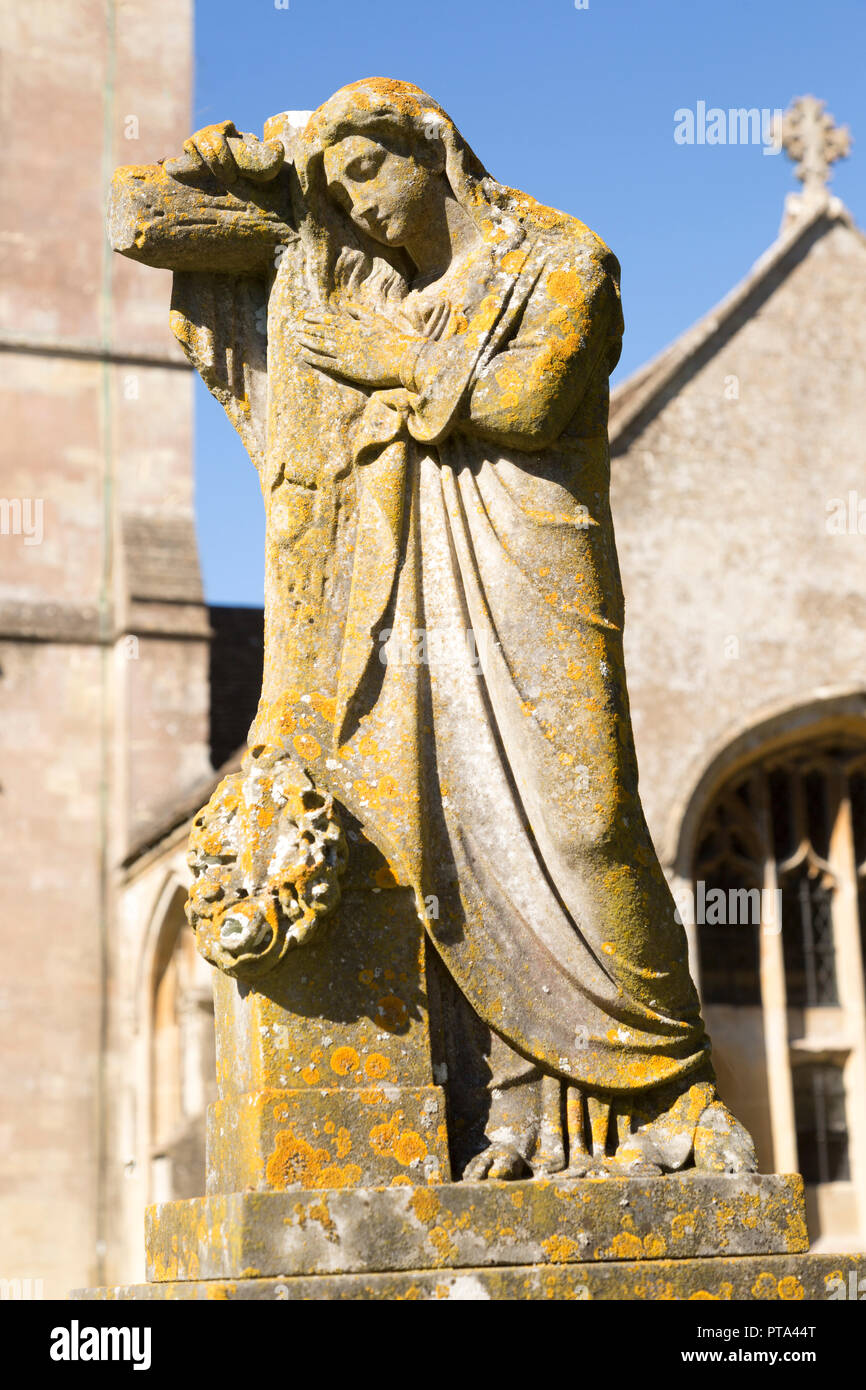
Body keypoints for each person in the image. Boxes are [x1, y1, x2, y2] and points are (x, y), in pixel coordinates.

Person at [118, 78, 757, 1178]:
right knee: (456, 837)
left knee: (587, 821)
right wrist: (277, 152)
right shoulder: (385, 294)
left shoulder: (558, 259)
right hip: (419, 594)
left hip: (538, 570)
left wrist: (376, 358)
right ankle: (519, 1105)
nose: (357, 207)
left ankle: (665, 1083)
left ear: (433, 147)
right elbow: (142, 214)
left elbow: (524, 405)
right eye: (337, 191)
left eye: (366, 170)